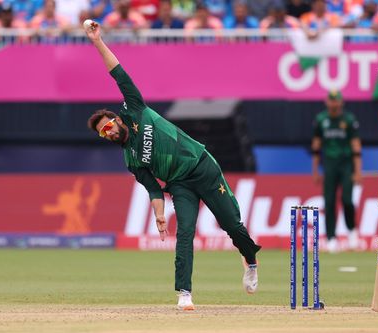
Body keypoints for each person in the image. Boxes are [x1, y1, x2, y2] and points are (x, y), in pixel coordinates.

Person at [83, 20, 261, 310]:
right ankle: (185, 293)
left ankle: (251, 261)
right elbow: (153, 188)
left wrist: (97, 42)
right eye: (104, 133)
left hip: (201, 165)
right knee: (186, 233)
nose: (110, 132)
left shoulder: (135, 109)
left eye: (109, 126)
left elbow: (118, 73)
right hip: (179, 185)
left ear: (116, 119)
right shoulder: (131, 159)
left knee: (231, 225)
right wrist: (159, 215)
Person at [311, 90, 362, 253]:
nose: (333, 104)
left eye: (336, 101)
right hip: (330, 164)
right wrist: (315, 171)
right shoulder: (321, 120)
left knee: (347, 199)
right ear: (327, 102)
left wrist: (358, 171)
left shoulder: (348, 120)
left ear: (341, 102)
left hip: (346, 164)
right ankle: (331, 238)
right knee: (329, 201)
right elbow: (316, 146)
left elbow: (356, 146)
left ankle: (352, 232)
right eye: (331, 101)